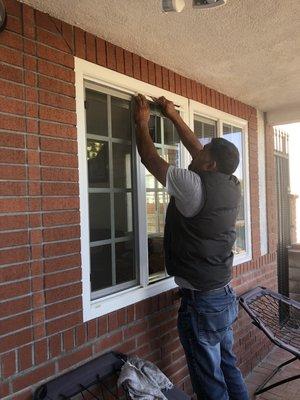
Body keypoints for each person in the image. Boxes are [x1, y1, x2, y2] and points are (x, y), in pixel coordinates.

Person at [133, 94, 249, 400]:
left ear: (209, 163)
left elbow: (149, 159)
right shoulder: (230, 184)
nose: (196, 152)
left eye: (204, 151)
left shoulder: (192, 184)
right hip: (221, 294)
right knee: (228, 367)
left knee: (209, 382)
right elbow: (200, 150)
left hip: (204, 303)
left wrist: (142, 120)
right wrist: (172, 115)